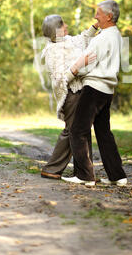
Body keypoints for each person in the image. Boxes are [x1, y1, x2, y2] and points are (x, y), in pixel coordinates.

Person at [61, 0, 127, 187]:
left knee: (78, 130)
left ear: (108, 16)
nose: (95, 17)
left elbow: (86, 63)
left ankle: (84, 176)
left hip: (94, 88)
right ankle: (117, 175)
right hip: (107, 90)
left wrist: (70, 73)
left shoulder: (102, 38)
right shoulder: (115, 35)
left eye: (98, 13)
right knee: (104, 132)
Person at [40, 14, 98, 180]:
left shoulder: (67, 40)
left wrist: (95, 26)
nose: (66, 25)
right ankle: (52, 168)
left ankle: (84, 172)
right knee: (73, 132)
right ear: (56, 31)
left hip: (80, 91)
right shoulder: (53, 50)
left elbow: (82, 38)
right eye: (62, 24)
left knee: (82, 131)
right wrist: (79, 65)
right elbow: (60, 79)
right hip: (70, 94)